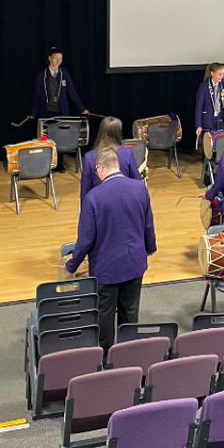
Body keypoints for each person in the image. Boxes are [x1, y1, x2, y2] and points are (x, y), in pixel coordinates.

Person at [65, 147, 156, 350]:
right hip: (134, 262)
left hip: (107, 269)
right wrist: (149, 248)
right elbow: (148, 223)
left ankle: (105, 358)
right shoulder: (140, 188)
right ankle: (129, 354)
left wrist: (72, 265)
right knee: (130, 312)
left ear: (99, 169)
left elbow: (86, 240)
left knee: (104, 315)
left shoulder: (93, 198)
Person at [79, 116, 141, 201]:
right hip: (124, 202)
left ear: (100, 131)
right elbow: (137, 182)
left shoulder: (89, 157)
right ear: (118, 132)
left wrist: (85, 211)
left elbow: (85, 190)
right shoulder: (127, 153)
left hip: (100, 204)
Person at [30, 47, 89, 120]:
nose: (58, 61)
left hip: (62, 113)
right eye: (55, 58)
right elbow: (36, 96)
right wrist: (33, 113)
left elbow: (72, 92)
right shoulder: (41, 75)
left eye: (60, 58)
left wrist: (82, 108)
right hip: (46, 113)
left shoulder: (64, 73)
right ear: (50, 58)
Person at [194, 62, 224, 139]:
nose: (222, 77)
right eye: (220, 74)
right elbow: (199, 107)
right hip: (208, 121)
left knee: (221, 145)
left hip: (221, 119)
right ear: (212, 73)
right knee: (210, 146)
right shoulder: (204, 86)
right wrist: (198, 125)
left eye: (223, 74)